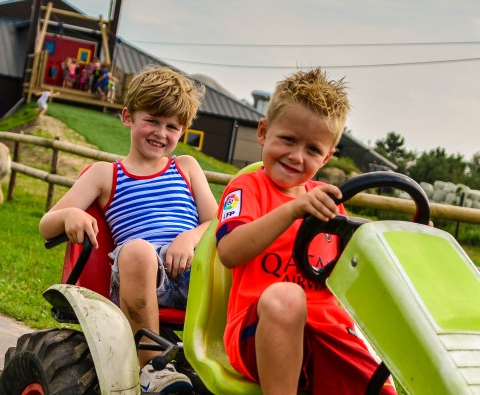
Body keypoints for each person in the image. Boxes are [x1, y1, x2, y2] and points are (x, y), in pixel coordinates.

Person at [215, 68, 396, 395]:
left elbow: (356, 274)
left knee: (379, 387)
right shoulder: (248, 187)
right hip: (257, 335)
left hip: (327, 333)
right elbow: (229, 252)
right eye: (288, 140)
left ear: (327, 156)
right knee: (285, 297)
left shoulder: (332, 204)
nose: (297, 156)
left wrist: (401, 242)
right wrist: (293, 209)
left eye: (313, 150)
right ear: (263, 132)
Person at [39, 65, 215, 394]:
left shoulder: (186, 167)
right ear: (127, 117)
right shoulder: (106, 174)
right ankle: (152, 369)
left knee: (237, 261)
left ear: (182, 131)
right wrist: (70, 216)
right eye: (152, 120)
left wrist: (189, 238)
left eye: (172, 126)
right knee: (138, 252)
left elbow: (218, 223)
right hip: (141, 273)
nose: (161, 133)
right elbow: (46, 225)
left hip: (193, 267)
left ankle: (233, 362)